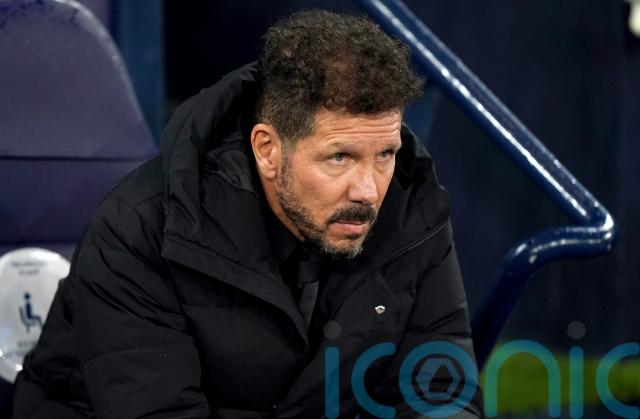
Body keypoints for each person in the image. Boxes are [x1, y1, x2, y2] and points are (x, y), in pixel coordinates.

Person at [9, 10, 484, 419]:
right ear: (268, 149)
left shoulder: (412, 214)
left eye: (385, 154)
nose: (368, 190)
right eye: (339, 157)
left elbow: (439, 390)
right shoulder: (139, 228)